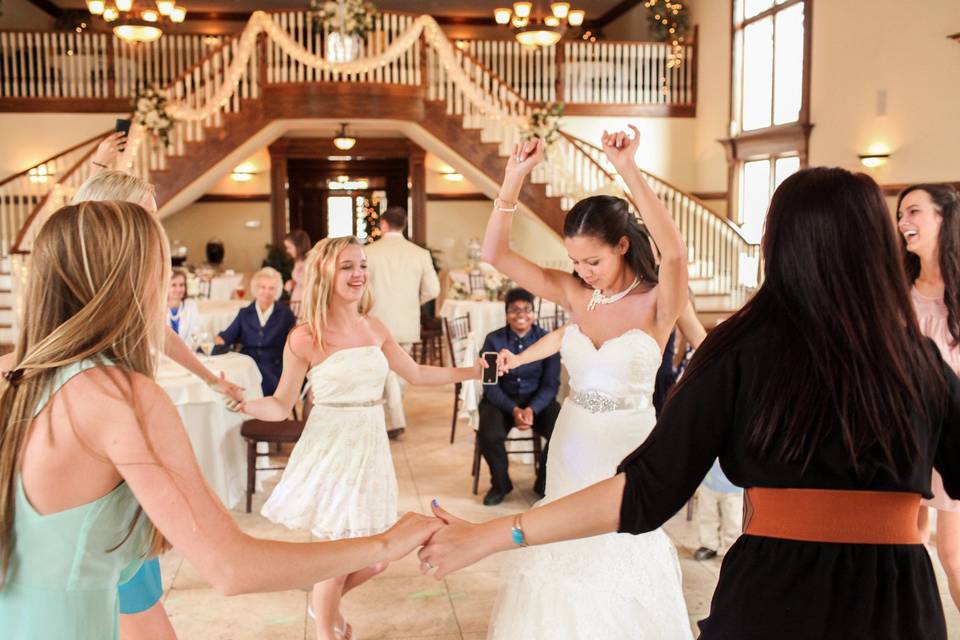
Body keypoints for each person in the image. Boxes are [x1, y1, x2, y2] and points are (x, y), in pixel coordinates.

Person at [420, 167, 960, 639]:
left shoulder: (741, 352)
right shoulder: (921, 363)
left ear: (778, 246)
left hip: (776, 594)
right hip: (898, 601)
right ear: (876, 247)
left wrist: (495, 535)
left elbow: (646, 491)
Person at [0, 201, 443, 640]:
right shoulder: (124, 399)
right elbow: (231, 567)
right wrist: (386, 543)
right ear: (130, 281)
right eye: (163, 265)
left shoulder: (15, 379)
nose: (172, 283)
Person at [459, 128, 692, 639]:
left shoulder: (658, 301)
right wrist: (514, 177)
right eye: (575, 262)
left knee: (618, 546)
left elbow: (673, 255)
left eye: (594, 260)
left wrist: (627, 168)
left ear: (623, 245)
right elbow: (497, 254)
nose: (583, 272)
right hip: (571, 442)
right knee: (561, 548)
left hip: (628, 447)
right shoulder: (573, 292)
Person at [238, 236, 482, 640]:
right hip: (331, 447)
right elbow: (281, 405)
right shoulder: (305, 336)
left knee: (376, 559)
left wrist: (472, 372)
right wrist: (244, 404)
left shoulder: (374, 327)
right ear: (325, 273)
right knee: (338, 557)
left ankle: (323, 606)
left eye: (362, 265)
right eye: (348, 266)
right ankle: (329, 629)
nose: (358, 275)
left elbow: (417, 374)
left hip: (370, 446)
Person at [68, 169, 244, 640]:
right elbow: (232, 566)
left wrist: (210, 378)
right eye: (146, 219)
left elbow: (158, 332)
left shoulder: (127, 300)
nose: (158, 235)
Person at [898, 183, 960, 610]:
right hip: (908, 434)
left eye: (914, 212)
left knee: (953, 556)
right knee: (906, 546)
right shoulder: (897, 292)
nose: (903, 223)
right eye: (900, 214)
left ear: (943, 218)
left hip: (955, 434)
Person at [477, 288, 560, 505]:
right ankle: (500, 484)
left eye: (526, 309)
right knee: (488, 433)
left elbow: (551, 383)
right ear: (506, 314)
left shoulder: (546, 340)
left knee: (562, 430)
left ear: (534, 314)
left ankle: (544, 483)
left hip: (537, 401)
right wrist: (513, 410)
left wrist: (532, 409)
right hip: (501, 400)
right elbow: (490, 385)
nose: (520, 314)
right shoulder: (493, 340)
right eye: (514, 310)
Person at [364, 206, 441, 438]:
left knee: (388, 371)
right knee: (396, 371)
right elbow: (434, 290)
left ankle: (393, 419)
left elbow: (361, 288)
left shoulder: (369, 252)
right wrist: (412, 302)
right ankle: (394, 419)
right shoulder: (419, 253)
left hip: (376, 321)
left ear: (384, 224)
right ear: (403, 225)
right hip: (407, 321)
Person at [214, 267, 296, 396]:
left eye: (271, 288)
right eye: (262, 287)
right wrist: (218, 342)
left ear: (277, 291)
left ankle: (259, 413)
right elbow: (226, 336)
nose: (266, 292)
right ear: (255, 290)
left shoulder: (285, 314)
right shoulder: (245, 313)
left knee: (260, 383)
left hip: (274, 367)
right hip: (247, 364)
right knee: (231, 382)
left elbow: (294, 344)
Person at [167, 268, 201, 342]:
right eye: (174, 285)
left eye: (181, 285)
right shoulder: (158, 309)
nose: (178, 289)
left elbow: (196, 334)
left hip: (188, 351)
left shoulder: (191, 306)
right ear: (166, 287)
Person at [284, 229, 311, 318]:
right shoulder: (297, 261)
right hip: (296, 300)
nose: (287, 251)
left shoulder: (310, 262)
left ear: (299, 246)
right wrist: (292, 283)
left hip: (305, 302)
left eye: (289, 247)